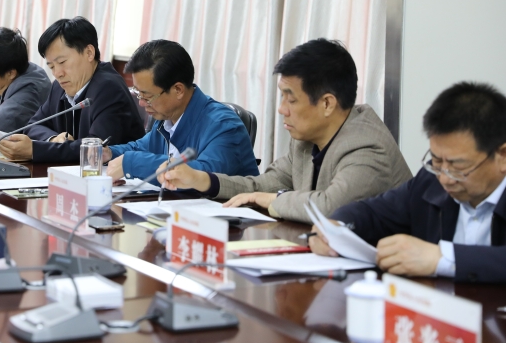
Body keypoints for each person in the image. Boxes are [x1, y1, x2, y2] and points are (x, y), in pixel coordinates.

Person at [159, 38, 412, 223]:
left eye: (291, 99)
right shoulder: (305, 140)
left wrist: (275, 199)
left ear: (327, 103)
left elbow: (331, 207)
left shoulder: (366, 146)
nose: (281, 109)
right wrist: (201, 179)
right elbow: (262, 186)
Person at [311, 82, 506, 283]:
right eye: (437, 160)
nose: (445, 178)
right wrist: (335, 227)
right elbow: (373, 212)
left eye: (458, 166)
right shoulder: (430, 180)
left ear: (502, 156)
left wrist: (441, 258)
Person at [104, 40, 258, 185]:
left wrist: (132, 163)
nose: (141, 103)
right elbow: (141, 148)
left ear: (178, 90)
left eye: (148, 96)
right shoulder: (167, 118)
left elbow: (203, 176)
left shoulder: (225, 126)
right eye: (139, 93)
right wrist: (108, 153)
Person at [0, 16, 145, 163]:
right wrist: (54, 139)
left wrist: (35, 150)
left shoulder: (109, 88)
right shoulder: (59, 87)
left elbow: (95, 149)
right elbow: (33, 125)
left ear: (89, 53)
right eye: (52, 66)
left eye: (62, 62)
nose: (57, 73)